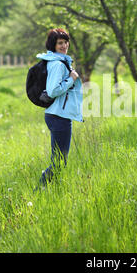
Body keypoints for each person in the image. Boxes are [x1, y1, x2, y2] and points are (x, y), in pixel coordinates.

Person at [36, 28, 83, 188]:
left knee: (59, 160)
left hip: (58, 115)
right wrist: (71, 79)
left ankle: (51, 190)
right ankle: (39, 190)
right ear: (53, 45)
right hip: (58, 117)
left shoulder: (61, 61)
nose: (64, 45)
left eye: (65, 42)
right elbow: (53, 90)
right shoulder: (58, 64)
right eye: (60, 43)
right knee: (59, 161)